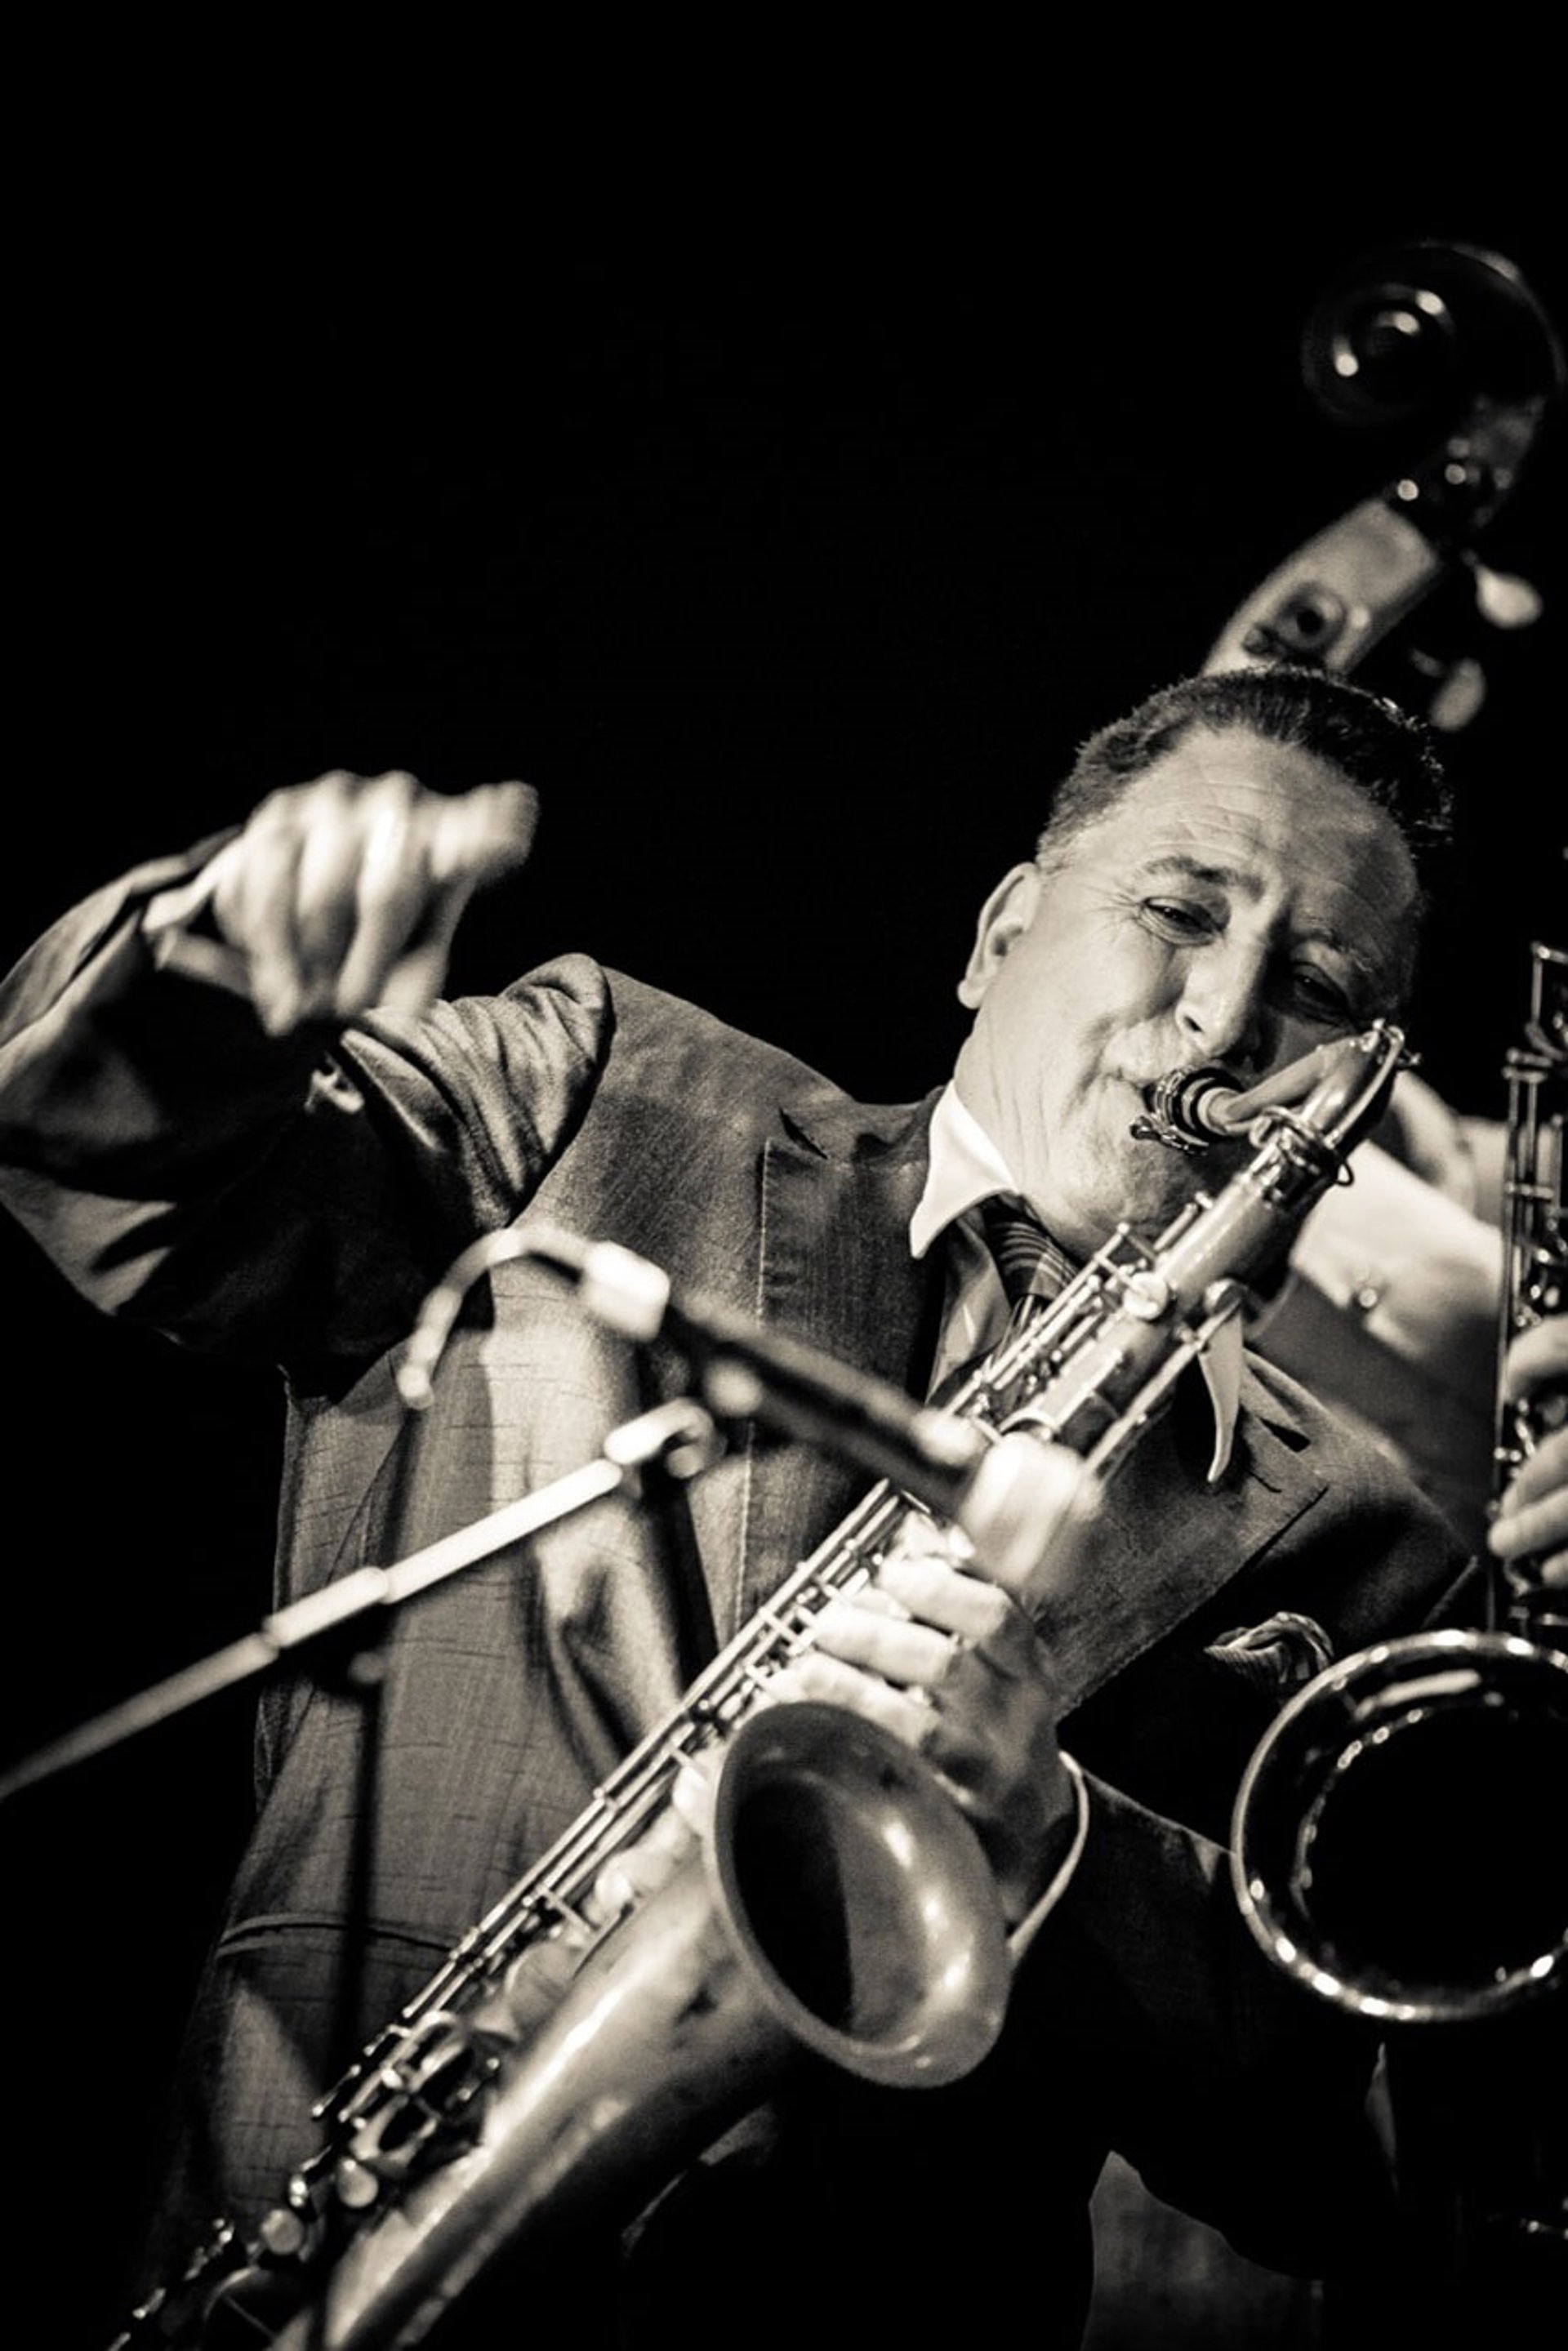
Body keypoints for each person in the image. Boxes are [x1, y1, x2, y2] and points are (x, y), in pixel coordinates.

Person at [0, 664, 1560, 2349]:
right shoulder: (603, 1089)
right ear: (1000, 935)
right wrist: (214, 968)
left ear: (1351, 1100)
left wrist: (1053, 1835)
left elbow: (1329, 2153)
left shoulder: (1386, 1548)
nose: (1227, 1021)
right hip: (315, 2239)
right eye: (1181, 912)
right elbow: (121, 1183)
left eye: (1318, 986)